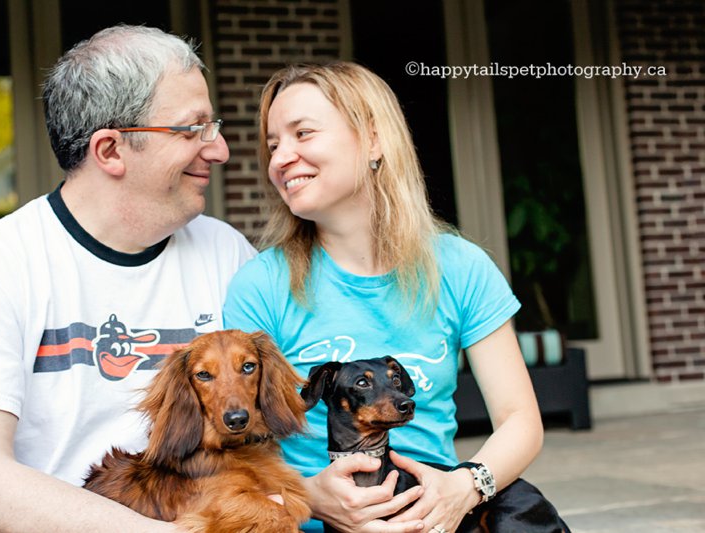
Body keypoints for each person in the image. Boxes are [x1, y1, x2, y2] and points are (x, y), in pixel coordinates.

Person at [0, 25, 256, 532]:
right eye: (193, 129)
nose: (221, 150)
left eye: (215, 126)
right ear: (111, 151)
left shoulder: (226, 251)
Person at [223, 62, 569, 533]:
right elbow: (236, 442)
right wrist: (310, 498)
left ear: (373, 140)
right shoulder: (260, 285)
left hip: (439, 515)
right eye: (274, 144)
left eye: (303, 134)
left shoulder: (460, 267)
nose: (282, 157)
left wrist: (465, 487)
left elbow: (519, 420)